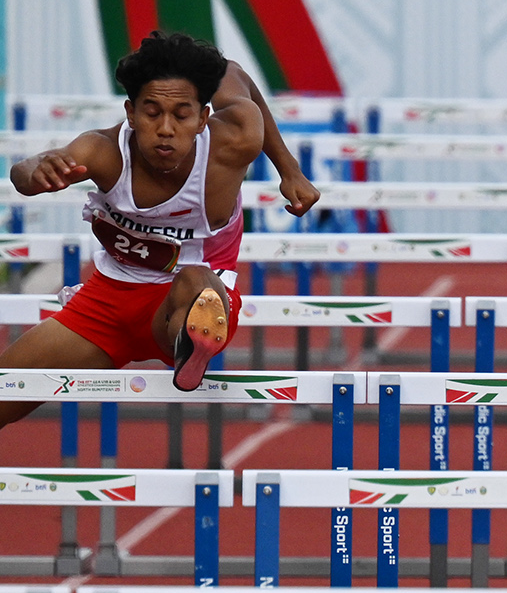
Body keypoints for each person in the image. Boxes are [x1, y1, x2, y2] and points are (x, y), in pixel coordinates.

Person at [0, 30, 318, 420]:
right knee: (5, 386)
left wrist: (290, 170)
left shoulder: (235, 139)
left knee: (195, 280)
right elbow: (24, 175)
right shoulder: (102, 152)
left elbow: (234, 73)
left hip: (191, 298)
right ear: (131, 113)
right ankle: (190, 340)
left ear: (202, 118)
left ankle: (191, 343)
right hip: (107, 301)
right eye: (152, 113)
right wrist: (36, 171)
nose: (166, 128)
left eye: (181, 115)